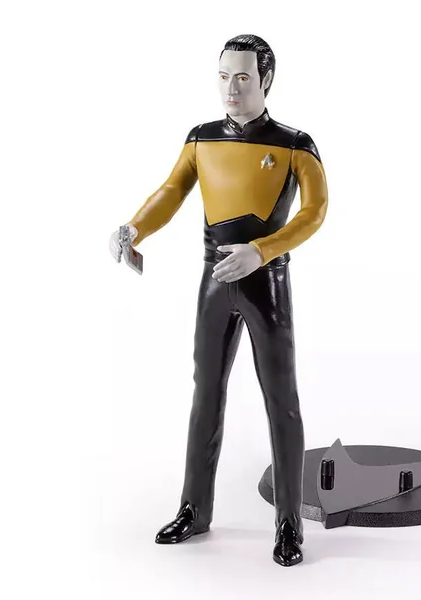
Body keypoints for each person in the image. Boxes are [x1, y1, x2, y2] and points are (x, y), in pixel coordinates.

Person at [109, 34, 328, 567]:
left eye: (244, 77)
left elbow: (314, 213)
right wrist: (135, 228)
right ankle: (194, 508)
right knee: (205, 394)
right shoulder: (201, 138)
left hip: (265, 283)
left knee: (281, 400)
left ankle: (289, 523)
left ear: (266, 80)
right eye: (224, 76)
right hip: (214, 281)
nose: (231, 88)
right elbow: (172, 190)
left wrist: (262, 251)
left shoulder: (295, 144)